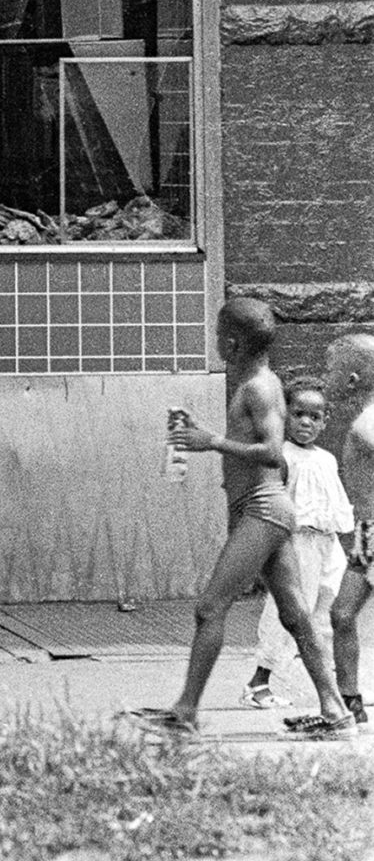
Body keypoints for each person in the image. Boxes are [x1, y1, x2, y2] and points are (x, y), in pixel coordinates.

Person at [137, 296, 354, 736]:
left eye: (218, 335)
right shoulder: (254, 383)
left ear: (232, 343)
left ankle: (185, 713)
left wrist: (211, 441)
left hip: (263, 510)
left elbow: (274, 453)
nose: (215, 342)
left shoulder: (259, 386)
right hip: (262, 509)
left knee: (209, 607)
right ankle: (337, 713)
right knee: (295, 616)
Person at [240, 377, 352, 709]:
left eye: (315, 417)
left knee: (325, 611)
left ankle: (330, 687)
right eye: (298, 413)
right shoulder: (281, 457)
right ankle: (258, 683)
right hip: (296, 542)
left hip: (327, 544)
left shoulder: (326, 459)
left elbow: (334, 506)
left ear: (325, 421)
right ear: (284, 415)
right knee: (286, 611)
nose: (306, 422)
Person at [325, 331, 374, 728]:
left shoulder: (366, 423)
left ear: (352, 379)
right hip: (365, 534)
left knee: (342, 614)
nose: (326, 379)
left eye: (331, 371)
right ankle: (349, 703)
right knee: (342, 614)